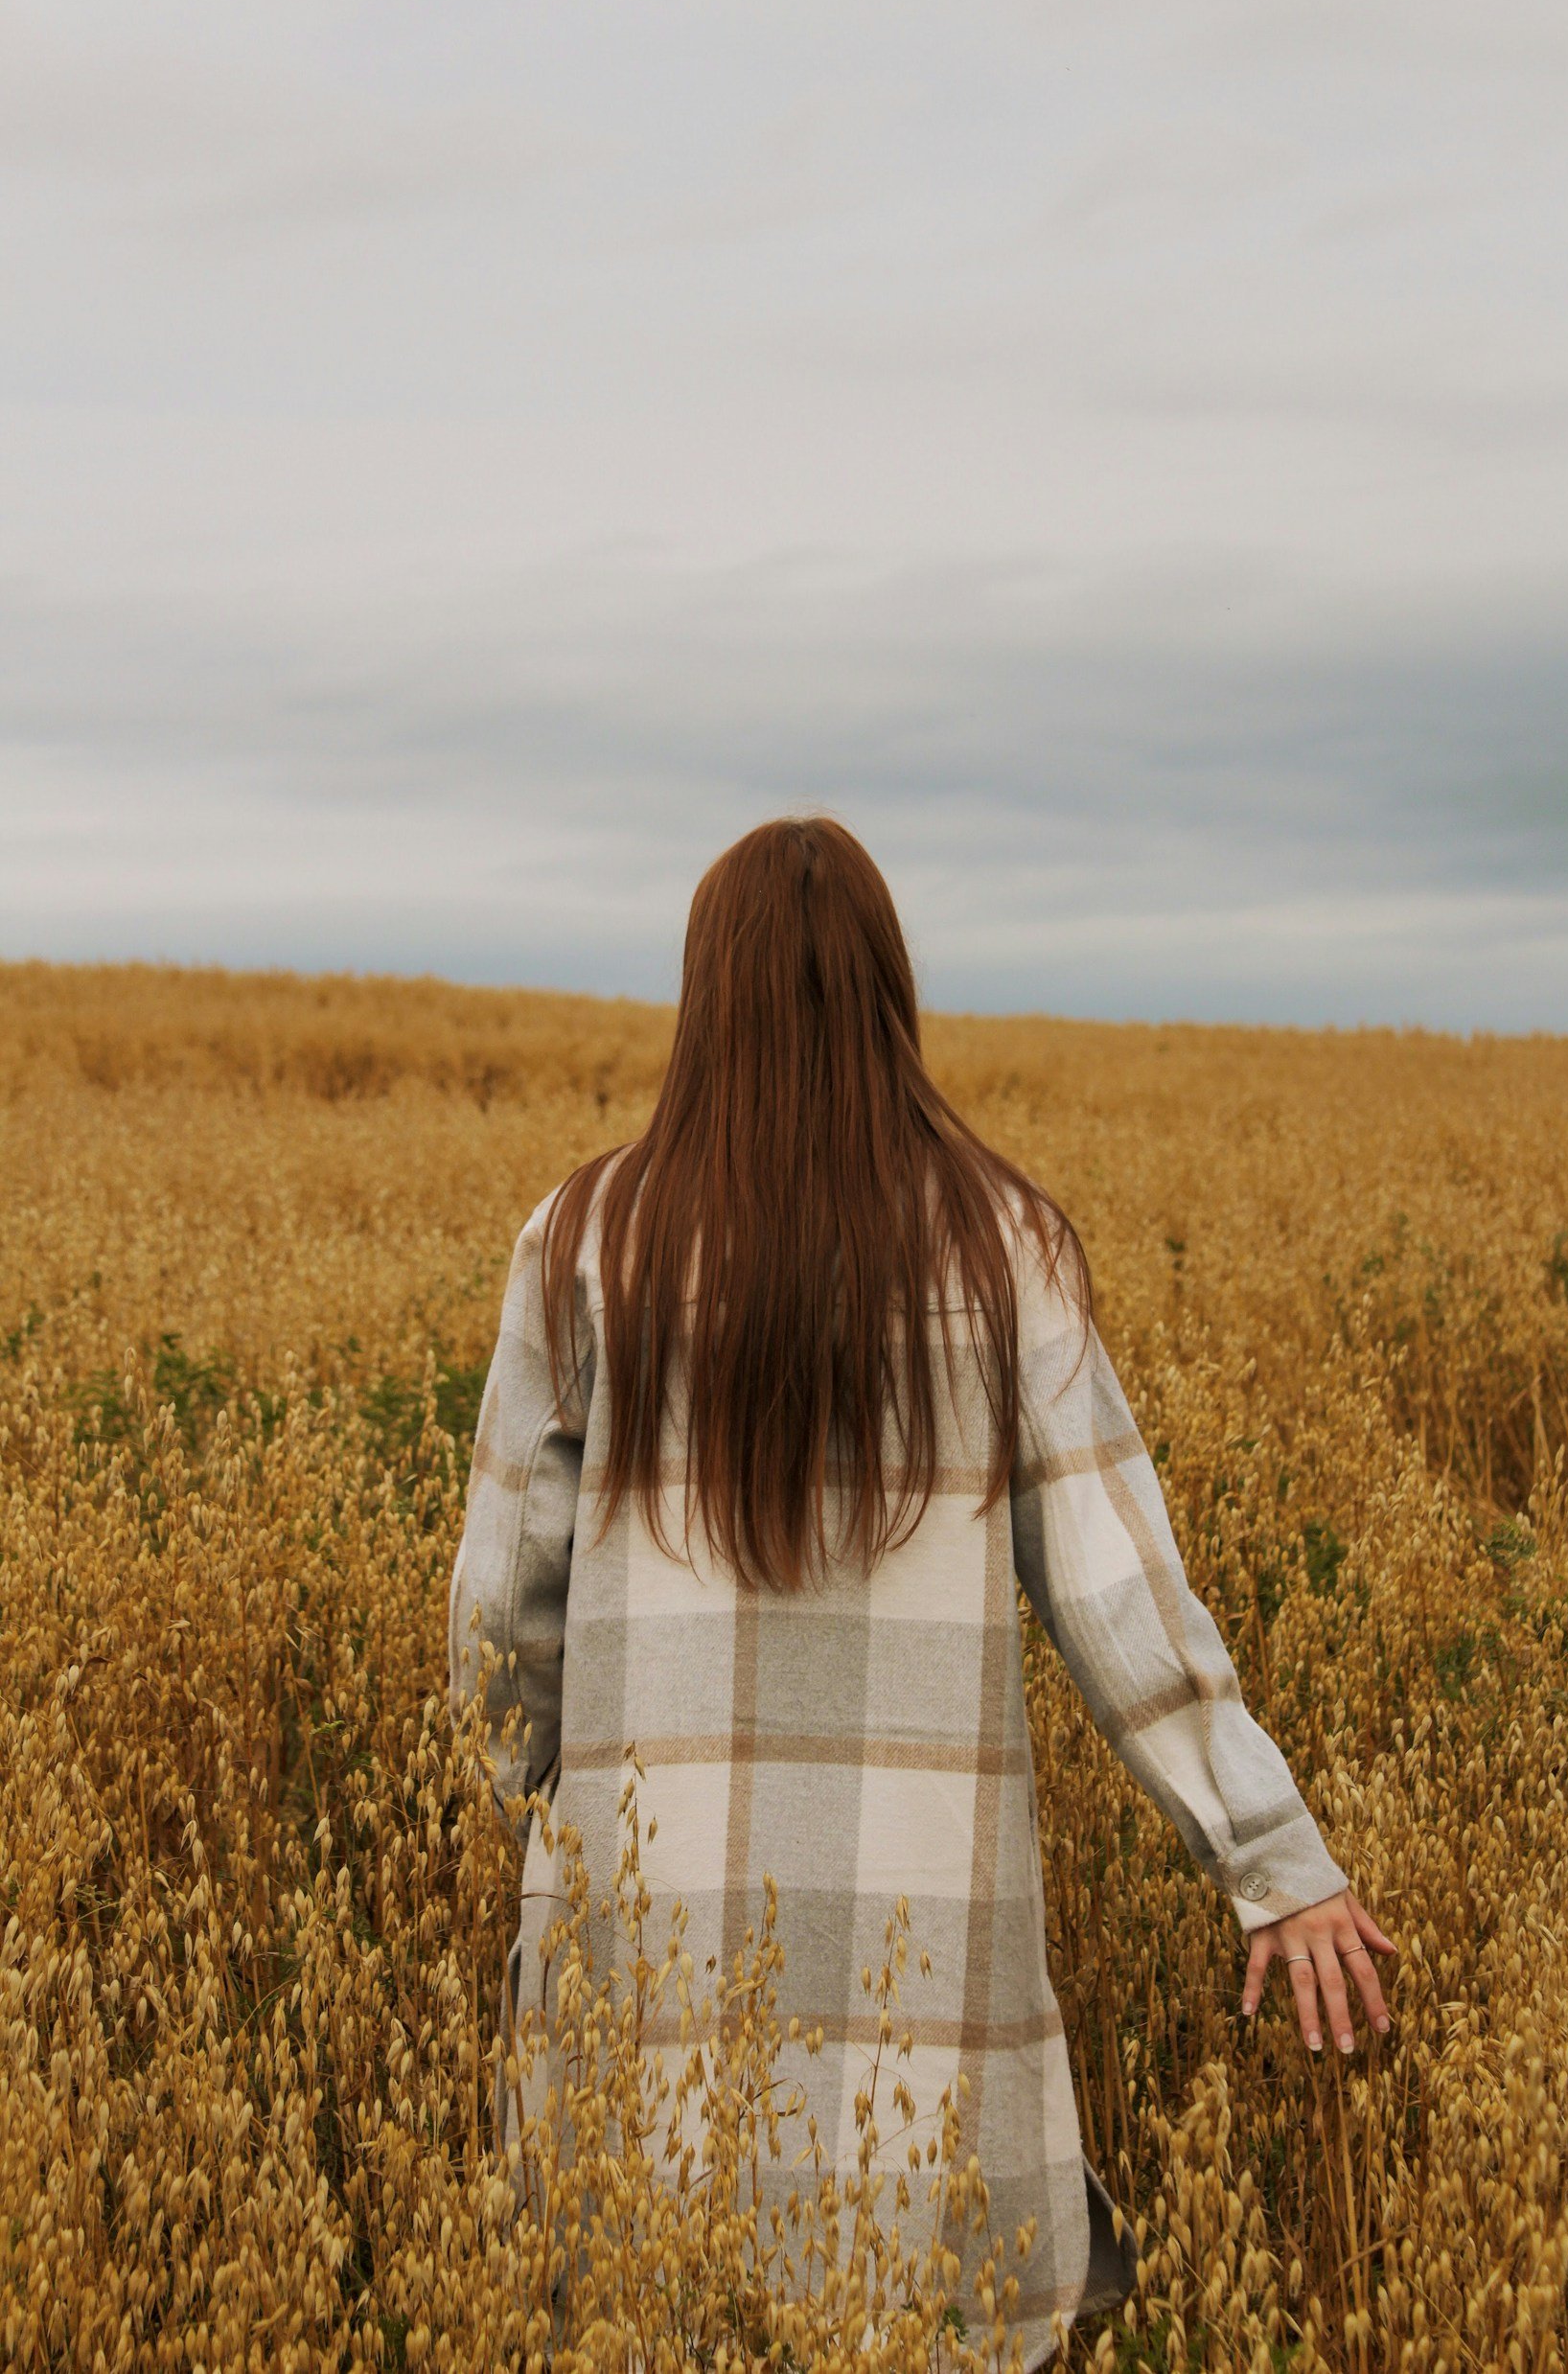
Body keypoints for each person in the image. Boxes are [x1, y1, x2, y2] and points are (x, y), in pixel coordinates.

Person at [448, 814, 1395, 2368]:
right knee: (919, 2313)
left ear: (708, 995)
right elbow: (1117, 1591)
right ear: (888, 991)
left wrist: (536, 1796)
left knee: (644, 2305)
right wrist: (1270, 1857)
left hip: (652, 1915)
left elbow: (501, 1603)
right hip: (925, 1925)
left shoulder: (581, 1244)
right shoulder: (1001, 1244)